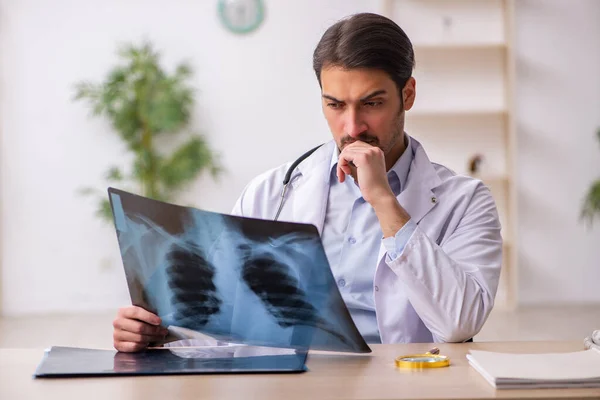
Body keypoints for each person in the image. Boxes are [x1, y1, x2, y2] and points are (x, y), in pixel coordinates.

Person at [112, 12, 502, 352]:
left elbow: (459, 323)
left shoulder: (465, 202)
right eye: (335, 105)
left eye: (372, 103)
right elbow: (225, 317)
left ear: (408, 94)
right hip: (299, 381)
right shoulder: (271, 192)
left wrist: (384, 200)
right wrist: (161, 333)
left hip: (407, 380)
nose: (352, 127)